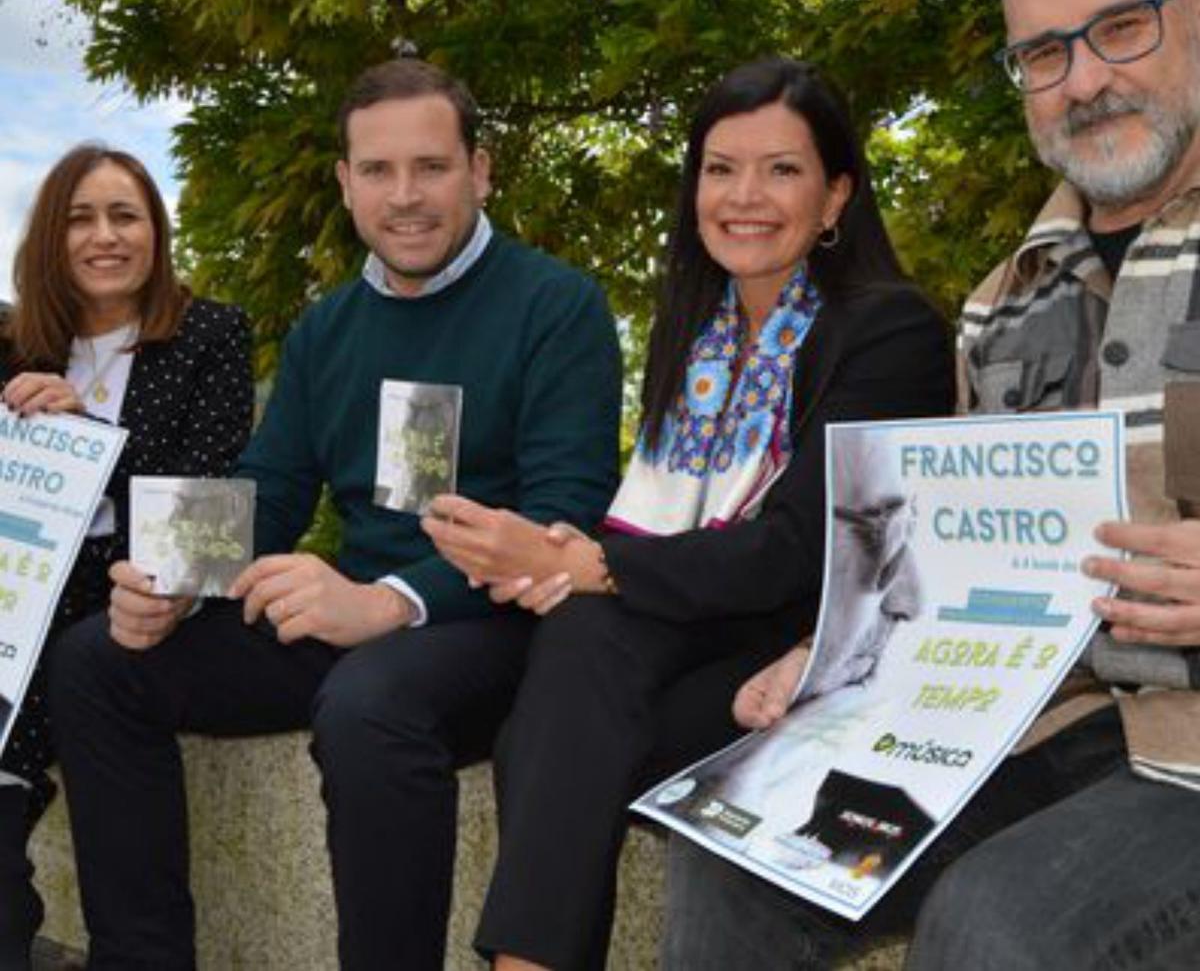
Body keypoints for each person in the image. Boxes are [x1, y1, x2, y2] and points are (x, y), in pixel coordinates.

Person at [662, 0, 1200, 971]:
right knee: (732, 847)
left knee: (996, 924)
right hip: (1039, 718)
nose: (1085, 78)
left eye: (1123, 26)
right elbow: (951, 557)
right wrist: (834, 648)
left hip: (1187, 755)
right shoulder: (1003, 301)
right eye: (1045, 53)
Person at [48, 60, 622, 971]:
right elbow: (270, 494)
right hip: (359, 621)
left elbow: (562, 520)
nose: (406, 197)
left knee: (368, 704)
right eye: (379, 171)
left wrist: (392, 600)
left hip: (499, 629)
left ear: (481, 170)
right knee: (96, 661)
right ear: (347, 184)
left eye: (431, 167)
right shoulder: (328, 328)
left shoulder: (558, 306)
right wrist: (169, 580)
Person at [423, 56, 955, 971]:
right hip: (698, 645)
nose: (745, 195)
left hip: (811, 657)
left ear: (835, 198)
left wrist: (591, 565)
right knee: (572, 676)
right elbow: (646, 541)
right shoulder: (696, 337)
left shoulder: (891, 332)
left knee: (546, 732)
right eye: (720, 168)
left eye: (782, 170)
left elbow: (800, 553)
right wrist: (568, 559)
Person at [0, 144, 254, 969]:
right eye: (79, 218)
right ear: (49, 239)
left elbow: (207, 501)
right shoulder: (11, 345)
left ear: (156, 231)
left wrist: (91, 437)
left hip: (137, 603)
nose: (103, 236)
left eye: (125, 215)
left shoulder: (210, 334)